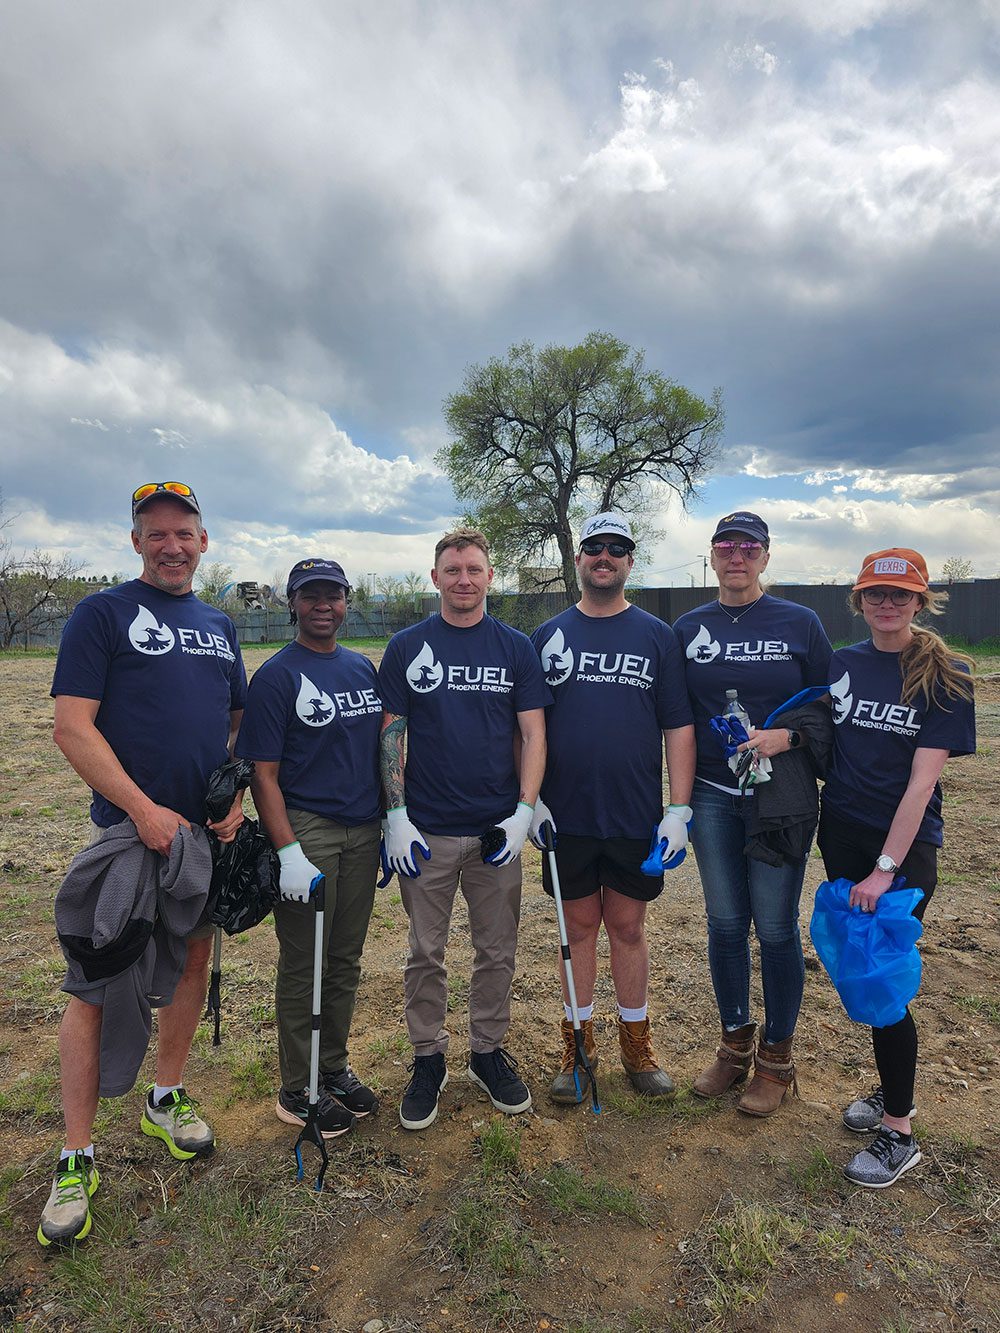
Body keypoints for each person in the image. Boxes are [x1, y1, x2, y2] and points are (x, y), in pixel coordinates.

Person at [40, 482, 247, 1246]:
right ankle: (77, 1154)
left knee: (191, 962)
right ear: (135, 542)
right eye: (156, 533)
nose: (172, 545)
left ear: (203, 540)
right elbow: (72, 726)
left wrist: (232, 791)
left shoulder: (220, 625)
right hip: (131, 838)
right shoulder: (102, 615)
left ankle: (166, 1096)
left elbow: (235, 719)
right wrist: (141, 808)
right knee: (97, 983)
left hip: (200, 840)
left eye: (184, 532)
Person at [377, 528, 550, 1130]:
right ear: (435, 578)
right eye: (452, 570)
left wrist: (525, 809)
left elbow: (533, 732)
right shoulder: (407, 646)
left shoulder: (516, 648)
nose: (464, 580)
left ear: (490, 576)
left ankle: (486, 1052)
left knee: (496, 950)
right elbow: (391, 732)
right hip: (425, 831)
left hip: (494, 833)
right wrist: (396, 815)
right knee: (425, 952)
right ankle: (428, 1058)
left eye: (474, 569)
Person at [818, 548, 975, 1187]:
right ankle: (892, 1089)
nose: (887, 604)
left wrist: (885, 868)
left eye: (900, 595)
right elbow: (824, 737)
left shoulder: (946, 673)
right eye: (876, 594)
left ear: (920, 601)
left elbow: (921, 784)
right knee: (864, 970)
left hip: (901, 852)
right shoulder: (844, 662)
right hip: (842, 837)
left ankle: (899, 1132)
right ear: (859, 601)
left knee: (884, 983)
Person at [530, 513, 696, 1101]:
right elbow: (527, 727)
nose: (604, 557)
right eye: (594, 548)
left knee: (627, 927)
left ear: (629, 561)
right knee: (577, 929)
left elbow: (678, 726)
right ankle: (578, 1046)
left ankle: (636, 1044)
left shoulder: (657, 635)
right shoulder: (547, 635)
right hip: (565, 817)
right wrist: (530, 801)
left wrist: (678, 810)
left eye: (616, 549)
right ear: (578, 558)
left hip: (632, 814)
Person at [673, 511, 832, 1115]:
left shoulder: (800, 622)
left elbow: (829, 704)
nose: (736, 556)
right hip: (713, 793)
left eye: (749, 547)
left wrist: (787, 738)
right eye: (725, 547)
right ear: (712, 555)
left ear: (766, 556)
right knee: (724, 924)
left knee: (775, 927)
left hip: (779, 797)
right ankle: (734, 1045)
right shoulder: (689, 627)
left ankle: (776, 1059)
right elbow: (674, 713)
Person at [236, 559, 382, 1141]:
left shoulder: (361, 667)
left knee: (344, 958)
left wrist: (390, 820)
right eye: (311, 595)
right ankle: (299, 1086)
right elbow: (263, 774)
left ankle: (333, 1066)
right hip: (308, 829)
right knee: (305, 962)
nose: (323, 605)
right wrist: (288, 850)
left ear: (346, 601)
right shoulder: (277, 676)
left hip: (363, 830)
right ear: (293, 604)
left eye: (333, 595)